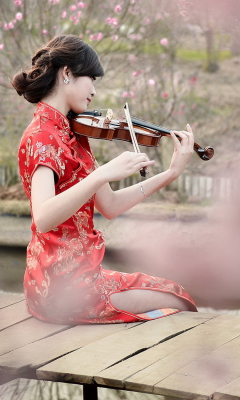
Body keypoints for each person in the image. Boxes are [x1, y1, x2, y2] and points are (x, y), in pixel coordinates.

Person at [11, 34, 197, 324]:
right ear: (68, 73)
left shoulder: (74, 136)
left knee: (176, 292)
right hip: (64, 290)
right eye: (92, 79)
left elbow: (109, 205)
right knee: (179, 301)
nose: (94, 91)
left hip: (82, 277)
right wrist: (101, 174)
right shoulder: (42, 136)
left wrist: (171, 173)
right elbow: (43, 216)